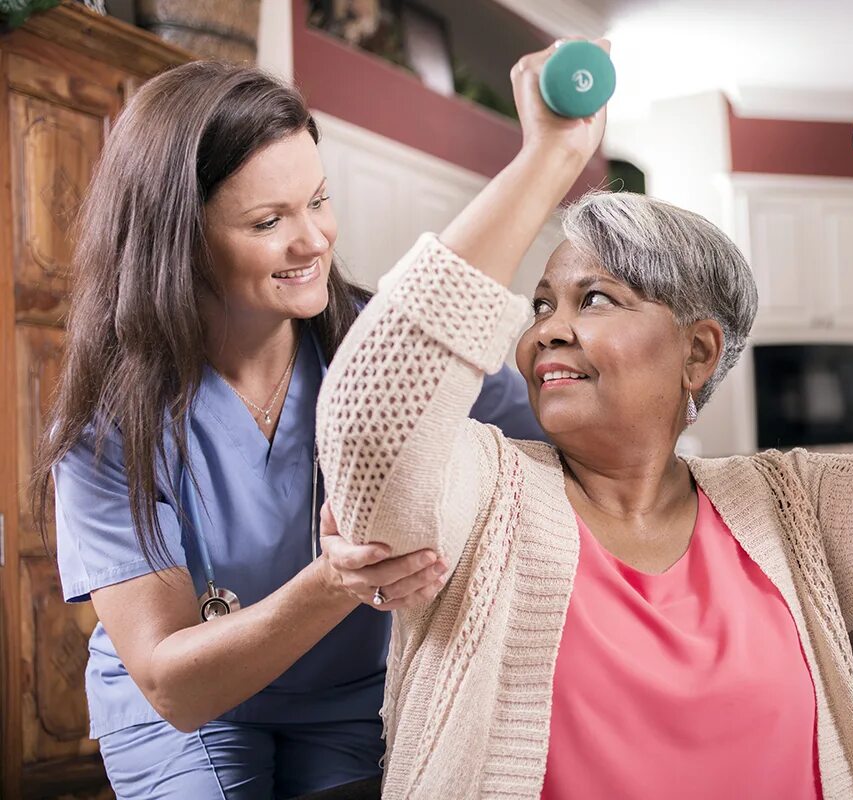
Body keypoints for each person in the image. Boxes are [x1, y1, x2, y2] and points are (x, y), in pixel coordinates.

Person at [317, 40, 853, 800]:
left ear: (697, 353)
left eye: (593, 299)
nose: (544, 333)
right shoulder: (481, 496)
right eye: (541, 306)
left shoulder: (787, 509)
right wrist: (547, 160)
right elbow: (373, 420)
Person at [31, 61, 543, 800]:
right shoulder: (106, 424)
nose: (313, 241)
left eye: (319, 201)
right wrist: (337, 583)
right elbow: (175, 687)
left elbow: (552, 443)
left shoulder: (385, 346)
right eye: (268, 222)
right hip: (187, 715)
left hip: (353, 698)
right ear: (180, 238)